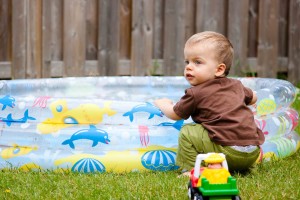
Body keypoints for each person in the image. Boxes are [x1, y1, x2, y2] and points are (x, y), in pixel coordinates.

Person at [154, 31, 265, 174]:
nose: (189, 67)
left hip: (228, 153)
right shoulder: (237, 86)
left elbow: (175, 114)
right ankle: (243, 169)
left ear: (219, 69)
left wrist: (162, 103)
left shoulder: (195, 93)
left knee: (188, 131)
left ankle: (191, 170)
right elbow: (254, 98)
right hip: (252, 153)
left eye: (197, 62)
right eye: (187, 62)